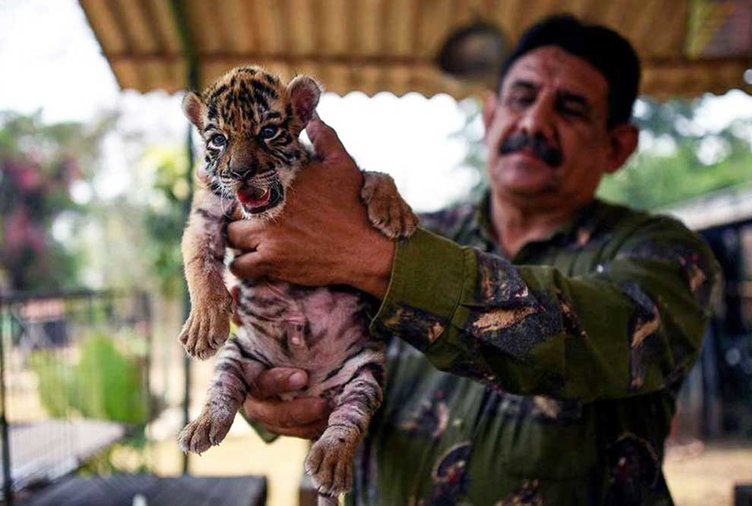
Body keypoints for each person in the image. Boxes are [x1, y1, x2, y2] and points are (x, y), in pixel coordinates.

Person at [226, 14, 720, 505]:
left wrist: (375, 258)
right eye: (521, 98)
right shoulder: (406, 231)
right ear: (489, 117)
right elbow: (310, 367)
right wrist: (270, 387)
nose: (533, 122)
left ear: (617, 146)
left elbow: (591, 336)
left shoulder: (665, 253)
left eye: (570, 109)